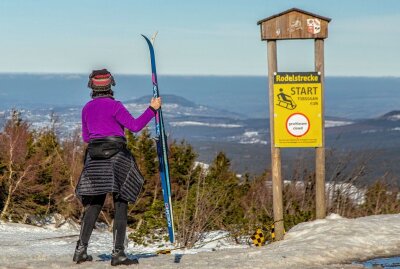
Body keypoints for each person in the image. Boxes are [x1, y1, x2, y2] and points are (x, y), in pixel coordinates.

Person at [73, 69, 161, 266]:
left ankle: (80, 251)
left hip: (94, 159)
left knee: (94, 204)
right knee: (121, 203)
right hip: (117, 157)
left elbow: (87, 138)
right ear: (110, 85)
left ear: (92, 86)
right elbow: (136, 126)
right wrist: (152, 109)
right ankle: (118, 254)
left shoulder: (86, 108)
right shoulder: (115, 106)